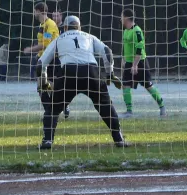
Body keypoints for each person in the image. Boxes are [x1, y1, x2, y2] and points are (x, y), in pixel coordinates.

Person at [37, 15, 127, 149]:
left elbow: (40, 63)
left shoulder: (59, 39)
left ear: (65, 28)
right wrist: (110, 74)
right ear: (79, 27)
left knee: (53, 109)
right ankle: (119, 139)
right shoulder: (88, 36)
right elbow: (107, 52)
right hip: (91, 72)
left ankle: (47, 141)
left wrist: (43, 83)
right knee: (106, 107)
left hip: (69, 73)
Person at [23, 3, 67, 117]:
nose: (33, 13)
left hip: (52, 60)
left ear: (38, 11)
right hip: (43, 60)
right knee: (42, 87)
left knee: (50, 86)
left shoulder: (50, 24)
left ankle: (61, 106)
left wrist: (30, 49)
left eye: (34, 11)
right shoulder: (42, 25)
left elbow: (45, 45)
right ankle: (50, 110)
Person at [120, 9, 166, 118]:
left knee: (148, 86)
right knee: (125, 86)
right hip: (129, 62)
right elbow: (125, 47)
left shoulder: (137, 31)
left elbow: (139, 49)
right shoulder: (126, 31)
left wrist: (135, 65)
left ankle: (162, 107)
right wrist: (124, 59)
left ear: (126, 18)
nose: (120, 19)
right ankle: (129, 111)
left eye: (121, 16)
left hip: (140, 63)